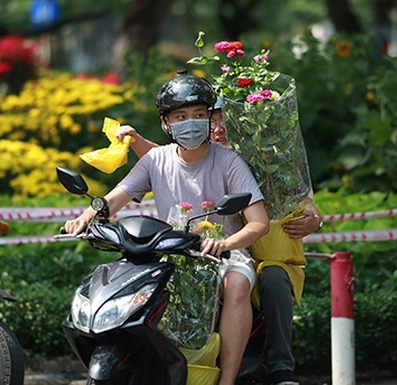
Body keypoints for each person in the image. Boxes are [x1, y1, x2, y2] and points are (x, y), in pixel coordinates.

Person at [65, 72, 269, 385]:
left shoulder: (229, 162)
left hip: (222, 254)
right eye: (181, 116)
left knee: (237, 285)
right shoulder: (155, 160)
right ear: (166, 123)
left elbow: (259, 223)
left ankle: (227, 380)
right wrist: (87, 217)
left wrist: (226, 245)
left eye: (199, 115)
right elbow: (114, 199)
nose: (192, 122)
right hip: (169, 252)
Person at [115, 96, 321, 385]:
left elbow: (300, 197)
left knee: (272, 279)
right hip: (189, 247)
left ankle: (280, 367)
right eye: (213, 119)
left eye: (225, 121)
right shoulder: (195, 148)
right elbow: (165, 159)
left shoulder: (257, 157)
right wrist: (136, 141)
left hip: (253, 247)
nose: (218, 127)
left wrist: (314, 217)